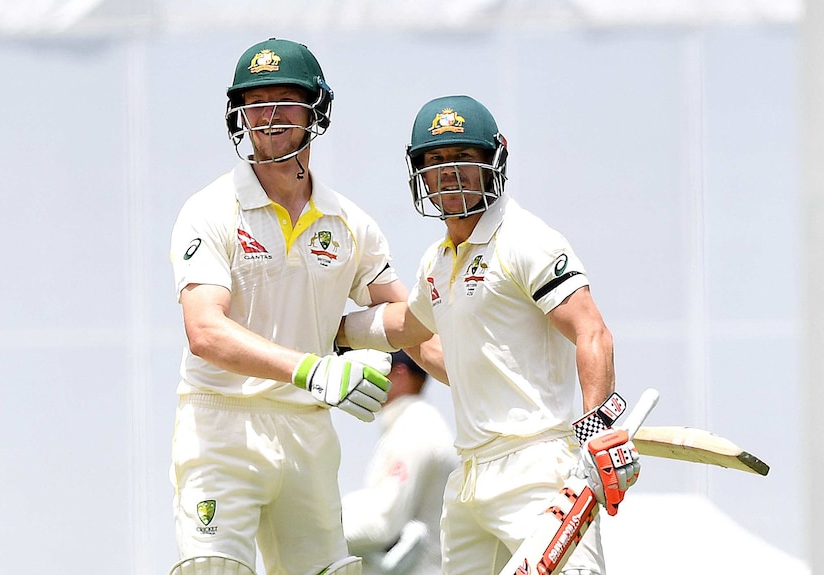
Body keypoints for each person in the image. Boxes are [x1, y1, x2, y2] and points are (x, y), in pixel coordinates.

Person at [337, 94, 641, 575]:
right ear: (420, 174)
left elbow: (592, 330)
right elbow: (407, 328)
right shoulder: (437, 262)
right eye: (436, 162)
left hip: (538, 469)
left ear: (494, 161)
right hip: (470, 478)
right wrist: (334, 329)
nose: (450, 174)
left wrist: (598, 434)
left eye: (464, 159)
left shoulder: (525, 240)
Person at [168, 37, 417, 575]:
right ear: (240, 115)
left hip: (306, 432)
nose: (270, 115)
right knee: (213, 568)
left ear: (316, 110)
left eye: (285, 99)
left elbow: (411, 324)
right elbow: (205, 331)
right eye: (256, 102)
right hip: (221, 425)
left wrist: (485, 366)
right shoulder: (209, 211)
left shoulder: (350, 223)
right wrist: (314, 368)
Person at [341, 350, 457, 575]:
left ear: (400, 374)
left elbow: (382, 525)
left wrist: (313, 529)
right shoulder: (412, 423)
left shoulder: (415, 429)